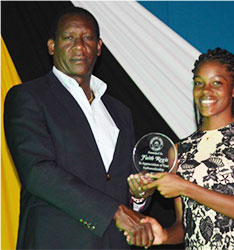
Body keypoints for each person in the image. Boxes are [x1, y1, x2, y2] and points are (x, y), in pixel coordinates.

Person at [3, 7, 153, 248]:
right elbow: (38, 173)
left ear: (99, 47)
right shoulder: (28, 97)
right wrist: (114, 212)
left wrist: (139, 196)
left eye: (87, 38)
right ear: (52, 46)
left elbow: (120, 184)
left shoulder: (120, 113)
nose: (80, 46)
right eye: (69, 37)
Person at [128, 48, 234, 249]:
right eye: (198, 83)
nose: (206, 91)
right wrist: (163, 235)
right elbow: (184, 226)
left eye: (216, 83)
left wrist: (185, 187)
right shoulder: (178, 150)